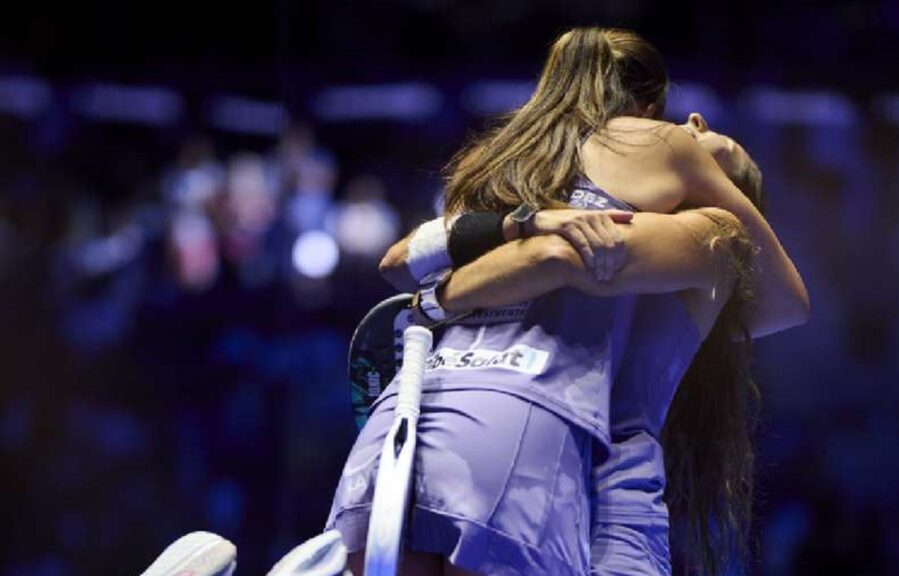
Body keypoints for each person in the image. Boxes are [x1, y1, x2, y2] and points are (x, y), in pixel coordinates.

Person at [327, 27, 806, 576]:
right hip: (550, 444)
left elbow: (403, 260)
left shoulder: (488, 163)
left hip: (414, 412)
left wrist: (434, 301)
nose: (692, 127)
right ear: (650, 106)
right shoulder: (678, 188)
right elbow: (785, 302)